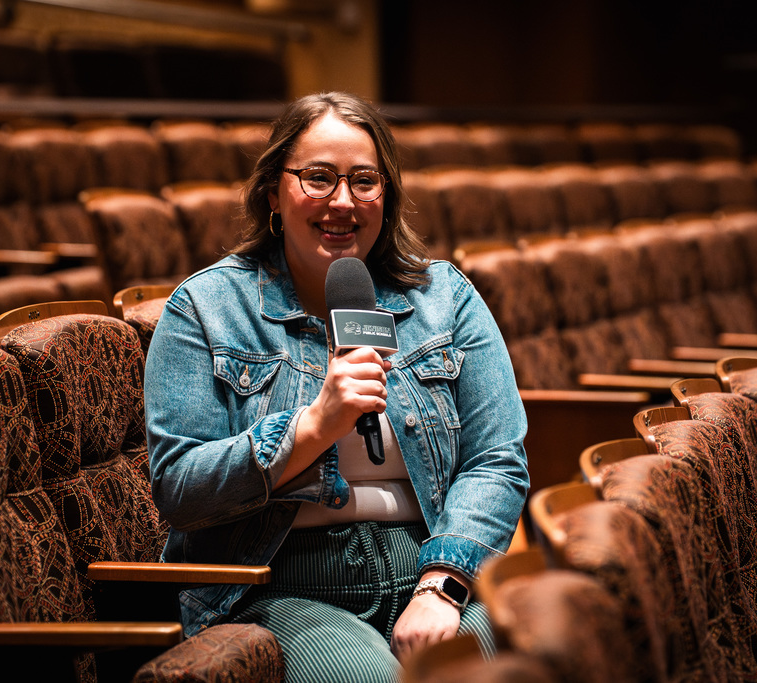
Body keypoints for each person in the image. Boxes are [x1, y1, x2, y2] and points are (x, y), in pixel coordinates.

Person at [144, 91, 529, 682]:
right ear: (273, 192)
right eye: (318, 178)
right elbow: (180, 486)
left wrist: (443, 584)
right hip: (282, 583)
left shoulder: (443, 298)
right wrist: (312, 426)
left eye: (364, 181)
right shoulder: (206, 308)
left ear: (387, 196)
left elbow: (496, 459)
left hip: (432, 562)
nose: (343, 202)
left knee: (550, 641)